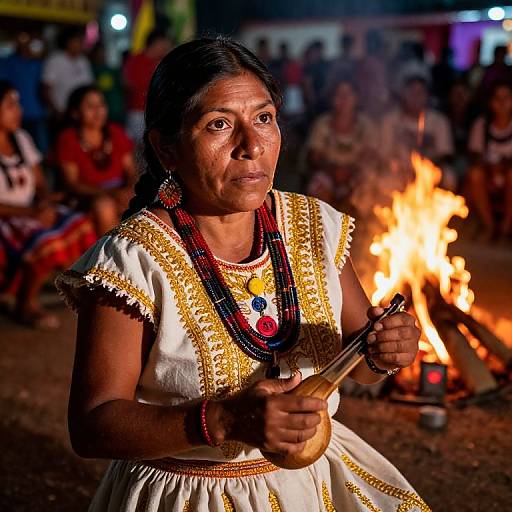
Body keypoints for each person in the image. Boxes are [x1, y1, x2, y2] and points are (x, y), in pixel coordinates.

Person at [56, 38, 428, 512]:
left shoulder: (314, 227)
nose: (251, 146)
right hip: (186, 494)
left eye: (264, 118)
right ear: (166, 147)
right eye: (218, 125)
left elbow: (362, 357)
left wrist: (384, 351)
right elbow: (91, 424)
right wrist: (225, 421)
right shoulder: (133, 261)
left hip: (312, 486)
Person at [0, 81, 95, 328]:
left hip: (31, 210)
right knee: (48, 242)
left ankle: (76, 288)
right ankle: (25, 303)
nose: (18, 110)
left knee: (81, 224)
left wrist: (43, 205)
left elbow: (40, 183)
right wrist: (32, 212)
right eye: (10, 105)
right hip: (8, 217)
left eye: (17, 104)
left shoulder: (20, 138)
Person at [56, 85, 136, 236]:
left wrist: (130, 189)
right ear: (75, 113)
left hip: (119, 191)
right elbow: (72, 183)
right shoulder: (68, 138)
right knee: (104, 206)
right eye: (90, 106)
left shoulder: (116, 132)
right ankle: (111, 256)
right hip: (88, 196)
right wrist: (110, 193)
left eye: (101, 105)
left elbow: (131, 171)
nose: (98, 111)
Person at [305, 78, 379, 212]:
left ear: (356, 98)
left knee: (370, 184)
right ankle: (323, 227)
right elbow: (314, 156)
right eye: (339, 95)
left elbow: (371, 156)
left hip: (356, 175)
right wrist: (334, 172)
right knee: (318, 186)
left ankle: (367, 228)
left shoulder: (366, 125)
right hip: (329, 176)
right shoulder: (322, 124)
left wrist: (351, 172)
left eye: (348, 94)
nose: (344, 99)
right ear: (332, 99)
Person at [380, 75, 456, 190]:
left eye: (420, 93)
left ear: (427, 96)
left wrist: (423, 166)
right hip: (399, 169)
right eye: (411, 93)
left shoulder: (438, 121)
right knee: (385, 180)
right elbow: (384, 153)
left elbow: (444, 153)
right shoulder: (390, 120)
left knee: (449, 176)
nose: (416, 97)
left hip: (430, 168)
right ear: (403, 95)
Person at [467, 81, 512, 239]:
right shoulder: (482, 126)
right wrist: (492, 168)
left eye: (506, 98)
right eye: (498, 98)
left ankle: (507, 226)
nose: (502, 103)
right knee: (475, 174)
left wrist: (504, 167)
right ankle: (489, 226)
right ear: (491, 102)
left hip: (509, 177)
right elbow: (475, 156)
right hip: (489, 176)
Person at [0, 32, 49, 154]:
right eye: (21, 40)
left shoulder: (36, 64)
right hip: (11, 115)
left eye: (28, 41)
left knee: (39, 150)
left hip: (35, 113)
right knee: (17, 150)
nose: (25, 44)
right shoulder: (7, 63)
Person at [123, 29, 171, 144]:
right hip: (138, 113)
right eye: (165, 44)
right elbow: (129, 84)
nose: (167, 47)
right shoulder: (135, 60)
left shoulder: (162, 62)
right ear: (157, 43)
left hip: (157, 112)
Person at [42, 27, 93, 121]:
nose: (82, 45)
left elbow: (89, 86)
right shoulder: (55, 60)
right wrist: (56, 111)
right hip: (61, 113)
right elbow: (46, 89)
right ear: (68, 42)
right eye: (78, 41)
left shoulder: (83, 61)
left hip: (82, 113)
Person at [89, 41, 125, 124]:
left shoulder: (113, 70)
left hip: (115, 108)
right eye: (100, 52)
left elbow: (123, 86)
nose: (102, 54)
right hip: (100, 109)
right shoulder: (90, 70)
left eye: (103, 52)